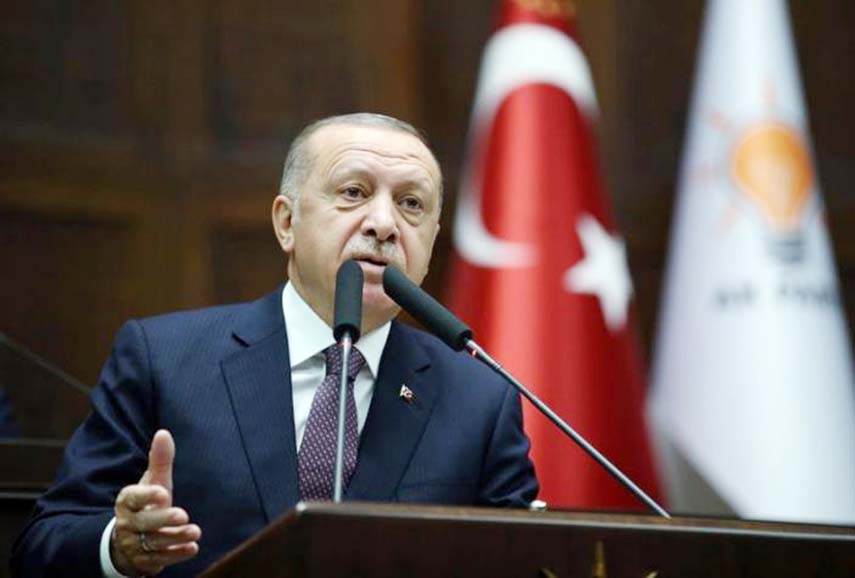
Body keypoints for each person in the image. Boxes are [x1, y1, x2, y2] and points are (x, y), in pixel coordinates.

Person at [11, 113, 538, 577]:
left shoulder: (479, 400)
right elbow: (42, 546)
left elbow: (524, 562)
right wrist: (120, 549)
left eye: (411, 204)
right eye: (353, 193)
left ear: (429, 245)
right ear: (287, 221)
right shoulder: (163, 359)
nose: (383, 224)